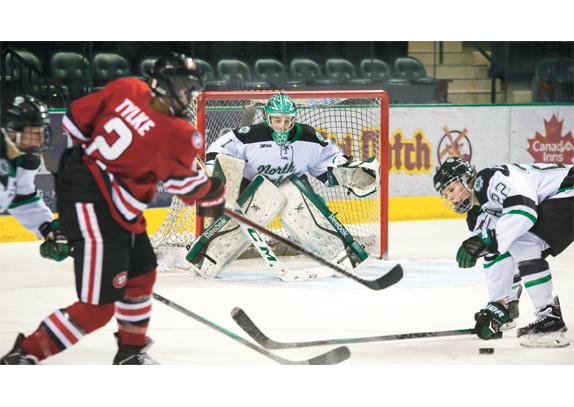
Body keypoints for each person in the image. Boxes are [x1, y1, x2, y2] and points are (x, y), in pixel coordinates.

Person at [0, 53, 225, 365]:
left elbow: (74, 124)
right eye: (187, 88)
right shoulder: (178, 133)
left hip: (99, 197)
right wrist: (213, 194)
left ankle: (131, 352)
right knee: (98, 307)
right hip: (96, 208)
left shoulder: (126, 88)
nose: (189, 96)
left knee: (142, 273)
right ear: (168, 86)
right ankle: (23, 356)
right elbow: (187, 190)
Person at [188, 92, 379, 278]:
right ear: (268, 118)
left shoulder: (309, 137)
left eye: (287, 120)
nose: (282, 126)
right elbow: (218, 149)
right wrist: (214, 168)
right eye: (277, 120)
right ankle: (207, 258)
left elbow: (328, 161)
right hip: (252, 188)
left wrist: (344, 168)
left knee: (308, 209)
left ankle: (342, 255)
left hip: (292, 187)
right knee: (234, 225)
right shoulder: (250, 135)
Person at [433, 156, 573, 347]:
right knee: (513, 242)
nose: (450, 197)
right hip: (558, 199)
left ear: (467, 178)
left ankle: (550, 320)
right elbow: (497, 254)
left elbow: (525, 211)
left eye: (451, 189)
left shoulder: (489, 180)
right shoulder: (476, 216)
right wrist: (497, 305)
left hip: (567, 189)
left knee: (524, 242)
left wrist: (488, 239)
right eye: (445, 194)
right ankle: (510, 306)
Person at [0, 95, 69, 261]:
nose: (40, 139)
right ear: (12, 130)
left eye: (42, 132)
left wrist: (48, 229)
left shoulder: (24, 161)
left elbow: (23, 198)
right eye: (34, 133)